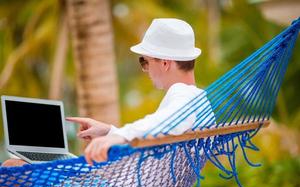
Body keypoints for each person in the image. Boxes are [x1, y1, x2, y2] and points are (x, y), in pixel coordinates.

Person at [1, 18, 214, 167]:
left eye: (145, 61)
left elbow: (167, 122)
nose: (146, 69)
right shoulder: (199, 100)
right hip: (127, 183)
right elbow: (164, 128)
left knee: (12, 167)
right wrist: (108, 131)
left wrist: (118, 137)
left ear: (166, 63)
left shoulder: (184, 98)